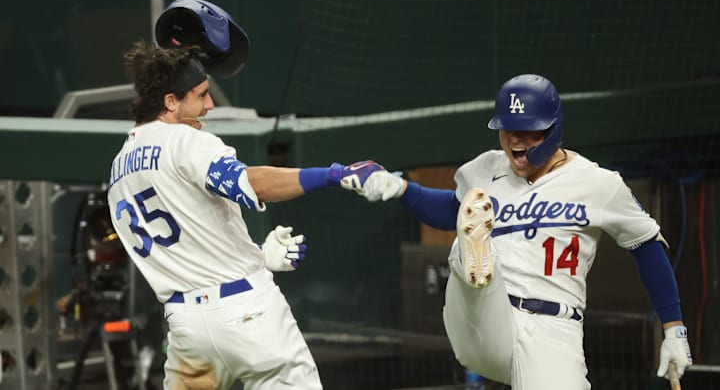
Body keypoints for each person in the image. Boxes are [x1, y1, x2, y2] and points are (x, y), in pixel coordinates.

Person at [346, 74, 693, 389]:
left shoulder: (598, 184)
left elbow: (646, 244)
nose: (514, 138)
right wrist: (398, 188)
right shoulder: (484, 170)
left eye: (527, 129)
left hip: (552, 331)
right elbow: (452, 211)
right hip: (485, 316)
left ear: (553, 128)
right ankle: (473, 257)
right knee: (471, 246)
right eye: (507, 128)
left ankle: (474, 255)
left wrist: (674, 329)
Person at [107, 39, 381, 390]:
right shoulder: (185, 141)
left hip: (187, 329)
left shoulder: (117, 169)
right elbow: (253, 184)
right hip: (249, 315)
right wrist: (333, 175)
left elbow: (190, 234)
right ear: (170, 101)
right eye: (201, 95)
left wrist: (257, 255)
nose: (209, 105)